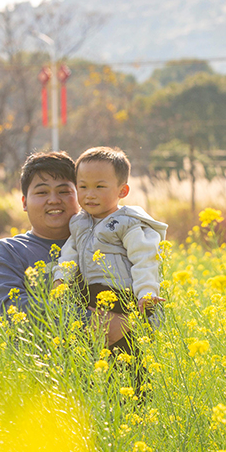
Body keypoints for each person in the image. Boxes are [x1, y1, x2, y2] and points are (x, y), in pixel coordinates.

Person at [54, 146, 167, 349]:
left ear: (122, 191)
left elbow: (144, 258)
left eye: (99, 187)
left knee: (130, 359)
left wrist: (147, 292)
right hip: (92, 299)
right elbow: (69, 255)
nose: (90, 195)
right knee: (96, 357)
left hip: (124, 299)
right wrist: (61, 279)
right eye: (83, 187)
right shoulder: (78, 223)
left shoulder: (126, 222)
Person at [0, 151, 80, 319]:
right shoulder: (9, 252)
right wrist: (100, 323)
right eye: (42, 192)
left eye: (64, 191)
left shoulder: (104, 241)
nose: (53, 200)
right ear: (25, 202)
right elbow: (13, 316)